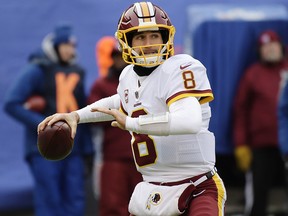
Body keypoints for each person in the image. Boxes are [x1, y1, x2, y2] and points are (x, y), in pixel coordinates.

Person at [38, 2, 227, 216]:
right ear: (126, 42)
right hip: (152, 191)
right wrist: (75, 116)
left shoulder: (180, 68)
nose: (148, 44)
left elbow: (189, 121)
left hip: (195, 187)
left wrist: (131, 123)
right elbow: (120, 102)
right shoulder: (128, 77)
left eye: (155, 36)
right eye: (140, 37)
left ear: (166, 38)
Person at [4, 24, 94, 216]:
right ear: (55, 47)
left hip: (73, 148)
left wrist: (88, 149)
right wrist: (43, 124)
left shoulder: (77, 72)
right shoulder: (38, 69)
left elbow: (80, 112)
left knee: (75, 201)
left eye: (73, 46)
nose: (71, 50)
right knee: (49, 201)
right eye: (66, 45)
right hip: (44, 148)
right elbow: (12, 103)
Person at [233, 30, 287, 216]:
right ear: (260, 51)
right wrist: (241, 144)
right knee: (258, 198)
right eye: (265, 46)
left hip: (287, 144)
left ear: (281, 47)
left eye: (273, 45)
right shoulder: (253, 74)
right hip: (262, 147)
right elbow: (240, 110)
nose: (270, 49)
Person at [88, 36, 142, 216]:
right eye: (116, 56)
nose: (120, 60)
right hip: (114, 157)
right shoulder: (102, 85)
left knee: (146, 207)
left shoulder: (144, 83)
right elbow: (94, 117)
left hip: (144, 156)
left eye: (123, 56)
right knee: (112, 206)